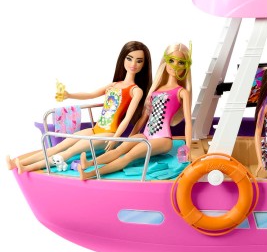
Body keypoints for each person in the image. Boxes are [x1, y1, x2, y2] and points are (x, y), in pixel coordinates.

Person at [8, 41, 152, 173]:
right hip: (96, 129)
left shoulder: (136, 91)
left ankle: (26, 168)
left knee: (69, 152)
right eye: (129, 58)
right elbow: (91, 94)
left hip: (109, 134)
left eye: (139, 61)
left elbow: (127, 118)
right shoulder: (114, 84)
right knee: (58, 147)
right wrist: (69, 95)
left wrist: (115, 138)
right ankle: (16, 163)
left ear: (143, 65)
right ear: (123, 59)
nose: (133, 64)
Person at [78, 43, 192, 180]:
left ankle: (89, 174)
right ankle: (89, 163)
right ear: (165, 62)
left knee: (128, 156)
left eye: (181, 63)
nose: (175, 66)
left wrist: (188, 148)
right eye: (171, 61)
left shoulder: (182, 92)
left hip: (163, 139)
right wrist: (131, 137)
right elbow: (144, 118)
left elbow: (188, 122)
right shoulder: (156, 90)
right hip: (145, 135)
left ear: (186, 66)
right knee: (119, 149)